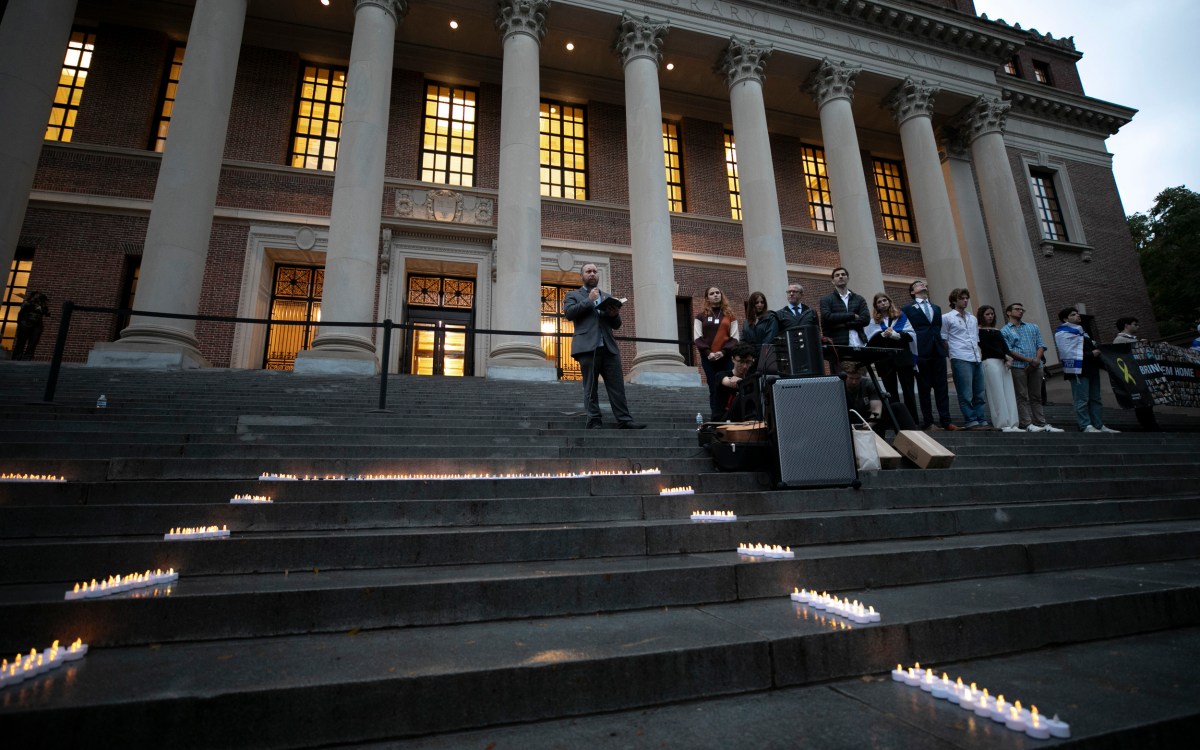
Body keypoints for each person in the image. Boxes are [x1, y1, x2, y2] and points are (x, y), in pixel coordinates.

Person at [564, 263, 645, 430]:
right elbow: (569, 313)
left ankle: (624, 420)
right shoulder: (573, 295)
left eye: (594, 271)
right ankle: (594, 420)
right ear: (582, 276)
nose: (592, 274)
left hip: (609, 348)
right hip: (587, 348)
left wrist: (614, 315)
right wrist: (589, 301)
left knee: (617, 386)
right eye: (588, 271)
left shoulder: (607, 297)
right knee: (590, 386)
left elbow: (616, 325)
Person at [901, 279, 955, 431]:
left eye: (923, 284)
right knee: (924, 388)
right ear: (912, 292)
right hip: (921, 351)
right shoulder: (907, 309)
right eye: (918, 284)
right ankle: (928, 421)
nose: (922, 285)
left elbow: (937, 328)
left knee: (942, 387)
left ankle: (946, 421)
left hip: (937, 351)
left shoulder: (936, 308)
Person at [1000, 303, 1062, 432]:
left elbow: (1040, 344)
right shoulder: (1004, 330)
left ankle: (1041, 422)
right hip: (1018, 367)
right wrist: (1029, 361)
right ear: (1008, 312)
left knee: (1036, 396)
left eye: (1022, 309)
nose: (1020, 311)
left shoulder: (1033, 327)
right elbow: (1009, 351)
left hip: (1036, 366)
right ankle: (1026, 423)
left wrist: (1036, 360)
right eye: (1017, 309)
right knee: (1021, 395)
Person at [1054, 308, 1117, 434]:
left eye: (1077, 313)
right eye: (1073, 314)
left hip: (1091, 368)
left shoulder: (1082, 331)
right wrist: (1091, 354)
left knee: (1096, 398)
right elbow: (1067, 352)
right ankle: (1085, 425)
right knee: (1082, 399)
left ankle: (1098, 424)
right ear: (1065, 319)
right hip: (1077, 370)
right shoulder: (1061, 333)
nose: (1077, 315)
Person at [863, 292, 918, 424]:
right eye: (879, 302)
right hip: (885, 361)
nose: (883, 303)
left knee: (908, 390)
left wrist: (894, 334)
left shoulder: (902, 317)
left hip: (903, 358)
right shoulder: (873, 323)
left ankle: (912, 420)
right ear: (876, 306)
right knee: (890, 392)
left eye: (885, 300)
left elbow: (911, 336)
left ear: (889, 302)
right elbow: (869, 342)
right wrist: (882, 335)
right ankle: (895, 421)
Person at [941, 288, 989, 429]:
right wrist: (952, 354)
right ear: (954, 300)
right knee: (965, 392)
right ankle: (971, 419)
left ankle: (981, 418)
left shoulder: (972, 318)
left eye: (967, 298)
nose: (965, 300)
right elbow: (944, 338)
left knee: (979, 392)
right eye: (962, 298)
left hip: (975, 357)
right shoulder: (947, 318)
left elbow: (975, 338)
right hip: (960, 357)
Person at [694, 286, 740, 421]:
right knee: (713, 387)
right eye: (712, 293)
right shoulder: (700, 316)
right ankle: (716, 418)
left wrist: (723, 352)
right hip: (708, 358)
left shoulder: (730, 316)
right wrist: (708, 353)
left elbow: (735, 337)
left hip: (725, 358)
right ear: (707, 297)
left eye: (717, 293)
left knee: (728, 385)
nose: (715, 295)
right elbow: (697, 337)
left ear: (721, 295)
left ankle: (729, 416)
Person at [841, 363, 917, 438]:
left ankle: (915, 441)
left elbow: (876, 411)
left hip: (869, 420)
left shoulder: (868, 384)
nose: (854, 382)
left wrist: (869, 424)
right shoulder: (838, 385)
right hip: (847, 421)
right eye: (851, 378)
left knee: (898, 407)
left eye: (857, 378)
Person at [977, 305, 1022, 432]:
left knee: (1009, 391)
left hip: (1004, 362)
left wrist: (1008, 357)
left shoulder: (997, 330)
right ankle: (1002, 423)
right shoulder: (979, 331)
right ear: (981, 315)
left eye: (992, 314)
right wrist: (1005, 356)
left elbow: (1004, 346)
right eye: (987, 314)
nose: (990, 316)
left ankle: (1013, 423)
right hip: (990, 362)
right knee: (997, 393)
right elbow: (986, 347)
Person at [1113, 317, 1159, 430]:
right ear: (1126, 325)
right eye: (1135, 324)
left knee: (1147, 401)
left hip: (1141, 374)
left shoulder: (1133, 339)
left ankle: (1151, 424)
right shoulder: (1119, 340)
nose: (1137, 326)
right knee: (1141, 402)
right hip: (1133, 377)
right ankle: (1148, 425)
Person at [819, 267, 870, 347]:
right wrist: (852, 315)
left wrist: (844, 324)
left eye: (843, 274)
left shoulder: (859, 299)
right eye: (837, 275)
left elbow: (866, 319)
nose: (840, 276)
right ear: (833, 281)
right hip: (838, 344)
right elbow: (827, 317)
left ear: (848, 278)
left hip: (860, 342)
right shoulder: (826, 299)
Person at [712, 343, 758, 422]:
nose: (745, 366)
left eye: (748, 362)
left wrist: (740, 381)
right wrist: (741, 383)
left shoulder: (751, 379)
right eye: (741, 361)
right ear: (733, 359)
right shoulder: (721, 375)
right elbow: (727, 381)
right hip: (722, 421)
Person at [741, 291, 778, 373]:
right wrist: (748, 357)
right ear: (751, 304)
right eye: (756, 303)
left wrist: (757, 357)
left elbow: (769, 340)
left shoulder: (771, 318)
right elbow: (743, 341)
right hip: (750, 360)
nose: (760, 305)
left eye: (762, 302)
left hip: (766, 357)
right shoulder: (746, 323)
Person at [13, 291, 50, 360]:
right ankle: (17, 355)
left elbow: (47, 313)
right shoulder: (28, 303)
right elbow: (22, 311)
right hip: (26, 323)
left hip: (37, 325)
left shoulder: (42, 305)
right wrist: (21, 322)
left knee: (33, 341)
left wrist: (42, 308)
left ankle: (28, 356)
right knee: (21, 341)